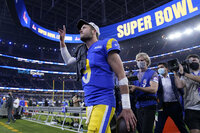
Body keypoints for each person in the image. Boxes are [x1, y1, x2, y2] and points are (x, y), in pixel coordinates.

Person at [58, 19, 136, 133]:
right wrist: (62, 41)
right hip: (89, 102)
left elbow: (121, 75)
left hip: (103, 100)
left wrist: (126, 107)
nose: (80, 29)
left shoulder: (105, 44)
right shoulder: (82, 52)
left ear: (94, 31)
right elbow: (68, 61)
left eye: (84, 27)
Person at [154, 62, 188, 133]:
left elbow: (181, 90)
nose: (159, 69)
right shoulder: (157, 79)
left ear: (166, 68)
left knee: (181, 126)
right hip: (162, 106)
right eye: (158, 68)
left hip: (175, 105)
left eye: (161, 67)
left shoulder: (173, 76)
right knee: (158, 128)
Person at [129, 52, 158, 133]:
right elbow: (132, 90)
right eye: (138, 60)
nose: (140, 62)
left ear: (147, 61)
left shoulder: (153, 73)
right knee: (141, 130)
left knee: (146, 130)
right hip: (138, 105)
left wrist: (137, 87)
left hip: (149, 105)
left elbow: (153, 89)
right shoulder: (134, 74)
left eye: (142, 60)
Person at [174, 54, 200, 133]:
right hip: (191, 108)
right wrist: (175, 73)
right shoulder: (184, 75)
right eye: (191, 60)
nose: (193, 59)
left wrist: (184, 74)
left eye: (195, 59)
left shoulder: (185, 74)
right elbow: (179, 85)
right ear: (188, 63)